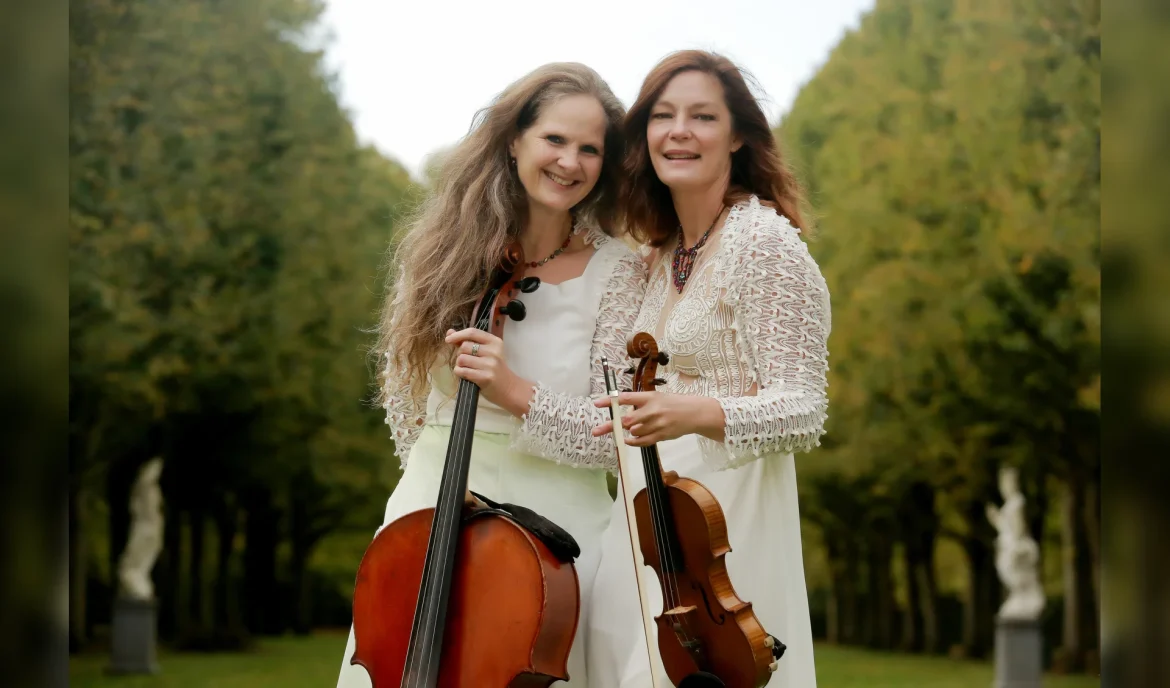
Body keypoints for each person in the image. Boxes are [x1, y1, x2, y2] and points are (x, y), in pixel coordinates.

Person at [335, 62, 647, 688]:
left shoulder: (621, 272)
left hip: (560, 525)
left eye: (590, 149)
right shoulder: (442, 252)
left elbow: (616, 437)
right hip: (433, 493)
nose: (570, 162)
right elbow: (406, 393)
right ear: (515, 139)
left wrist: (514, 395)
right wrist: (435, 473)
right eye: (555, 140)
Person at [585, 50, 830, 687]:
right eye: (663, 116)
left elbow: (804, 408)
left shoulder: (764, 242)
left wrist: (693, 411)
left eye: (702, 115)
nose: (679, 130)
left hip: (726, 526)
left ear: (739, 135)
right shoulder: (655, 257)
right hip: (649, 518)